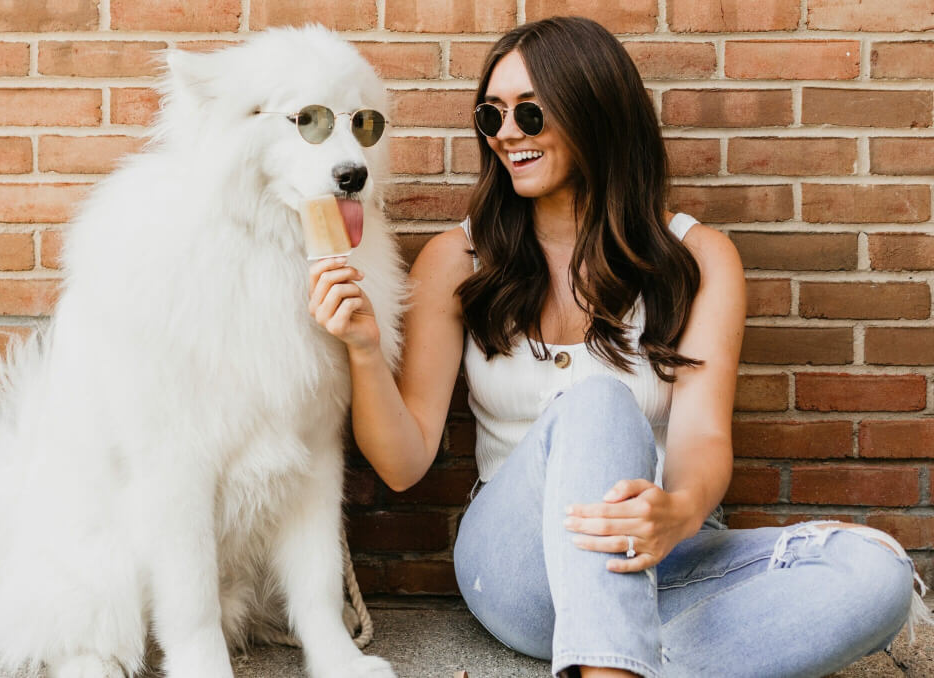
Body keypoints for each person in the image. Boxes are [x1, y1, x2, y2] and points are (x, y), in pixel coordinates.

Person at [308, 16, 929, 678]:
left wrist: (679, 510)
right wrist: (366, 352)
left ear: (593, 111)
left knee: (877, 573)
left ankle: (621, 653)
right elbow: (403, 464)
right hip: (521, 568)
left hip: (669, 554)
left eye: (529, 111)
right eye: (492, 116)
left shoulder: (698, 259)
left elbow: (702, 443)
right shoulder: (458, 260)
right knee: (597, 401)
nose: (507, 133)